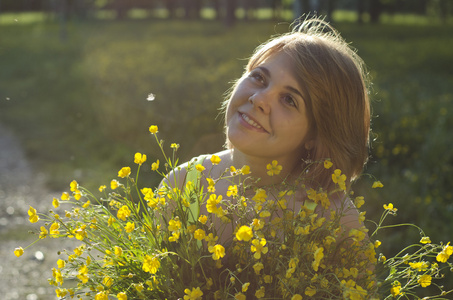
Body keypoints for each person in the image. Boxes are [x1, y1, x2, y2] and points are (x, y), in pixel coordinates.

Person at [164, 17, 371, 245]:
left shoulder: (332, 222)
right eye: (259, 77)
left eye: (289, 100)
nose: (258, 99)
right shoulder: (182, 185)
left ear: (317, 134)